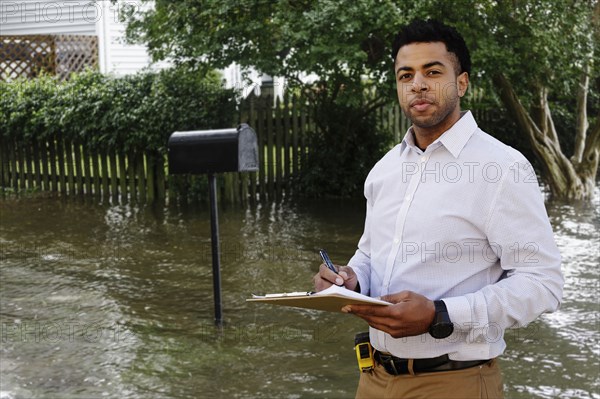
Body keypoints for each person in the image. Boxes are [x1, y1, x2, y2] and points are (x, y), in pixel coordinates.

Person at [313, 19, 563, 399]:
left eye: (433, 71)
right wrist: (349, 280)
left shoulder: (503, 168)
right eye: (405, 74)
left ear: (461, 82)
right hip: (372, 377)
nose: (418, 84)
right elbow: (370, 251)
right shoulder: (385, 169)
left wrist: (441, 315)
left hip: (455, 382)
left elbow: (543, 283)